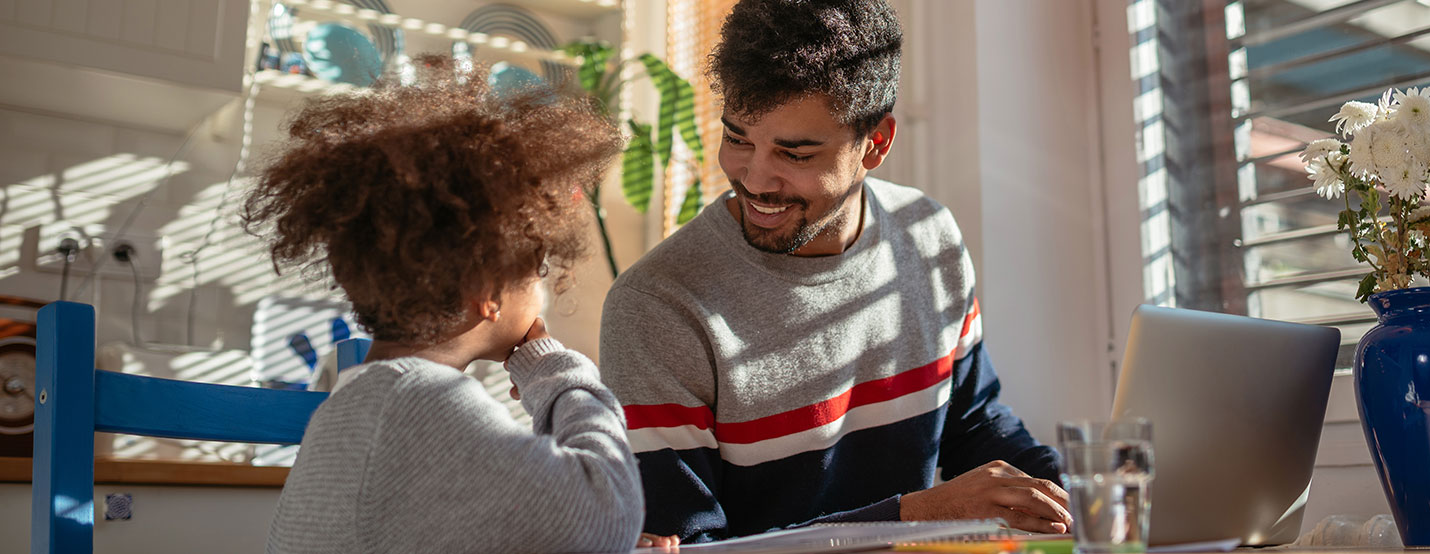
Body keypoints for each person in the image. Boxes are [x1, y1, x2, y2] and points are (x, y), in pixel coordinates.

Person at [599, 0, 1068, 545]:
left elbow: (974, 425)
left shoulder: (928, 235)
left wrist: (1073, 495)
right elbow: (696, 548)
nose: (754, 178)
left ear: (878, 142)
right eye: (738, 138)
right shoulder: (659, 306)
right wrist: (912, 516)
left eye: (794, 154)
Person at [247, 55, 642, 553]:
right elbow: (607, 512)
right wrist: (551, 371)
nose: (540, 285)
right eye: (536, 265)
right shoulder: (422, 402)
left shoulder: (351, 407)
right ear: (487, 290)